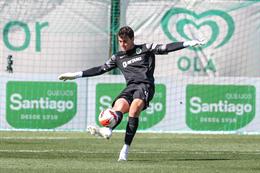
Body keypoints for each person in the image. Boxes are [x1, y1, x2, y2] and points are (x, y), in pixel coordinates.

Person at [58, 26, 205, 161]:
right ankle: (107, 130)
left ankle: (125, 149)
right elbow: (100, 69)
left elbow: (166, 47)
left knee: (134, 109)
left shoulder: (146, 48)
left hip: (145, 86)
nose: (123, 44)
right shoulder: (118, 57)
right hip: (130, 87)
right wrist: (76, 75)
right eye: (120, 41)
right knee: (118, 106)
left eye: (126, 41)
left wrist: (188, 43)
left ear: (132, 39)